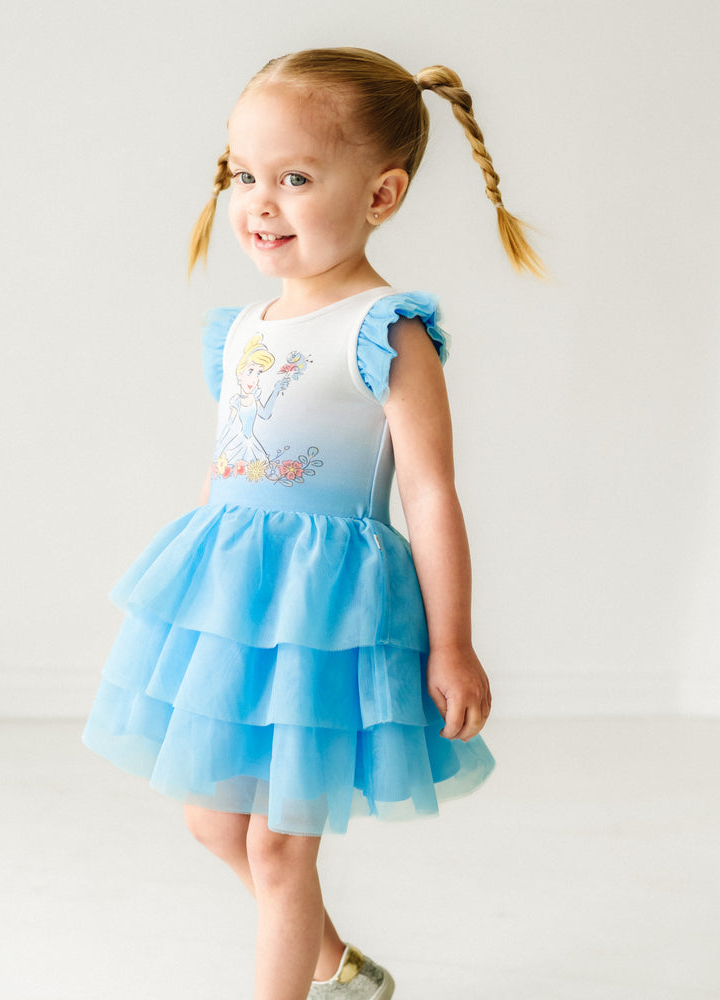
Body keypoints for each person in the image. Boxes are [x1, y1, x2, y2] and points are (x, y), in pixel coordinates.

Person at [82, 46, 544, 1000]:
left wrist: (452, 644)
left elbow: (430, 494)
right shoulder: (243, 329)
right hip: (237, 597)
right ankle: (342, 968)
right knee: (215, 822)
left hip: (327, 612)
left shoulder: (386, 329)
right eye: (244, 175)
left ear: (380, 195)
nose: (260, 201)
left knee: (281, 845)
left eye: (294, 178)